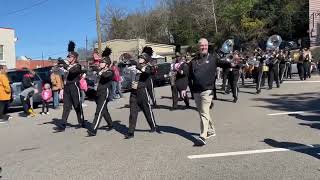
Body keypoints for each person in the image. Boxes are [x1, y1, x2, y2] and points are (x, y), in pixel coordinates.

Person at [189, 38, 232, 146]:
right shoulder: (193, 61)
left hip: (207, 91)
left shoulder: (213, 58)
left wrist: (233, 63)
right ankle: (211, 130)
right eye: (201, 45)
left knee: (204, 112)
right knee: (203, 113)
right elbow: (189, 77)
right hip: (196, 91)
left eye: (205, 45)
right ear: (198, 47)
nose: (203, 47)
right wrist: (188, 90)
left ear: (208, 46)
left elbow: (225, 63)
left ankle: (203, 136)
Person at [125, 53, 159, 139]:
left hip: (143, 92)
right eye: (139, 57)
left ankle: (153, 126)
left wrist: (153, 99)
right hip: (133, 92)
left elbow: (147, 72)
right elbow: (129, 76)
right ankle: (131, 132)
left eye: (141, 58)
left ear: (145, 60)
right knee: (133, 113)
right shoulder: (135, 67)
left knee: (147, 110)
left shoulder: (148, 67)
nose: (139, 58)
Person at [55, 41, 85, 131]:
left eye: (69, 56)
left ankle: (81, 121)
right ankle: (63, 124)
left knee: (77, 105)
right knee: (66, 106)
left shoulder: (78, 66)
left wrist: (65, 65)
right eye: (67, 56)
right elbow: (57, 71)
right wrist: (59, 65)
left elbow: (72, 71)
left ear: (74, 58)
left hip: (75, 86)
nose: (67, 57)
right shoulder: (66, 66)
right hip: (67, 86)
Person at [87, 50, 114, 136]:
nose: (100, 63)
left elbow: (105, 76)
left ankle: (93, 129)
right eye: (100, 62)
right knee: (104, 110)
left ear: (106, 64)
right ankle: (111, 124)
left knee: (99, 111)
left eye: (102, 62)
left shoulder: (110, 72)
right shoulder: (99, 71)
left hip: (104, 93)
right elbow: (91, 77)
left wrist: (99, 72)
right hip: (97, 92)